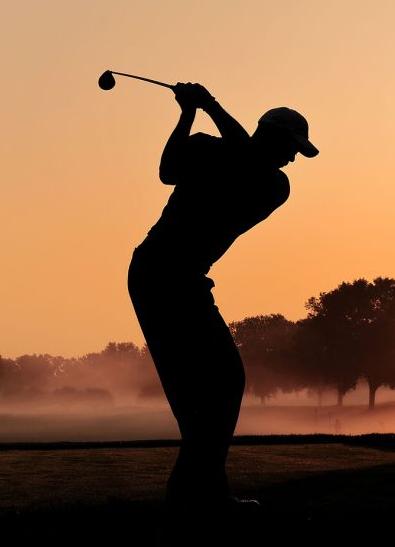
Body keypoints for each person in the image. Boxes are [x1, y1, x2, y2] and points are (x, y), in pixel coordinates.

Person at [128, 81, 317, 510]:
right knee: (206, 387)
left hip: (182, 278)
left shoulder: (273, 185)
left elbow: (244, 157)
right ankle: (199, 496)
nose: (292, 159)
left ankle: (199, 494)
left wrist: (206, 105)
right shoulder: (217, 151)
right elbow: (167, 170)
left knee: (220, 384)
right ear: (272, 137)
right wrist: (189, 112)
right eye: (291, 148)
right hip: (158, 273)